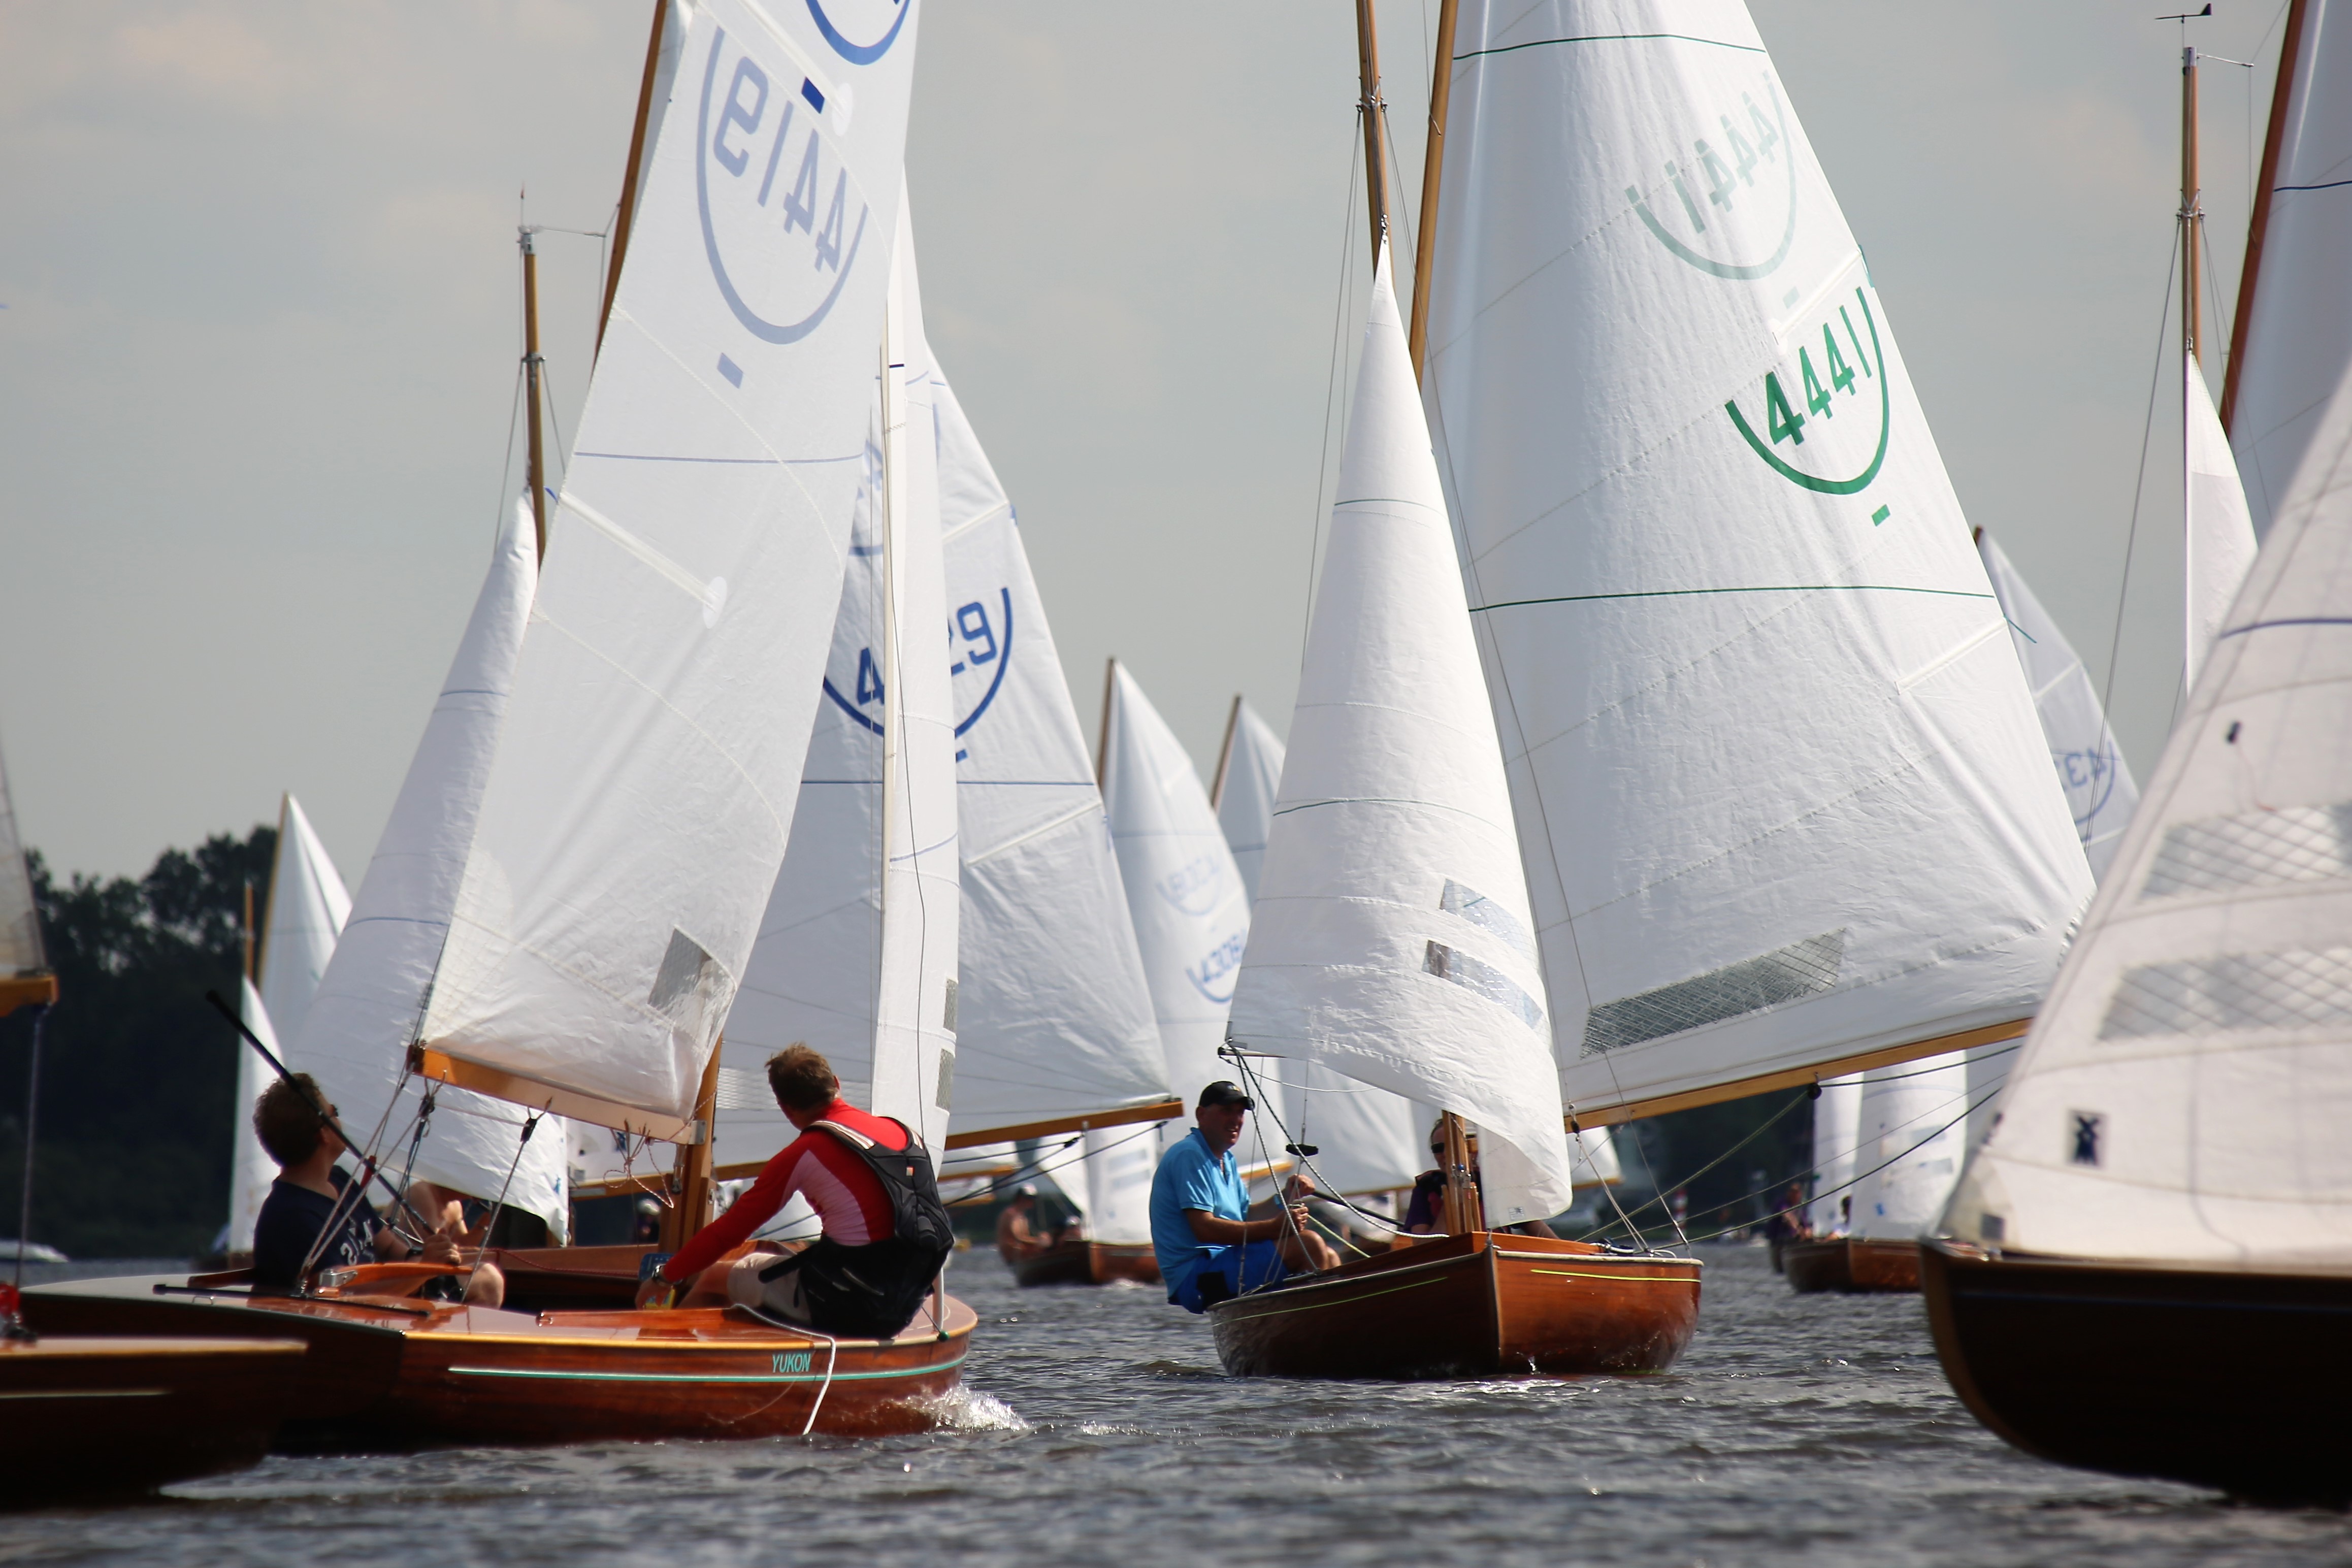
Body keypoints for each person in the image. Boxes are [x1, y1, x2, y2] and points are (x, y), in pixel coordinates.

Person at [634, 1045, 954, 1338]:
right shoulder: (905, 1133)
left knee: (715, 1278)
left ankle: (668, 1358)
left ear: (785, 1108)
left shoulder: (803, 1154)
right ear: (837, 1084)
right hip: (908, 1302)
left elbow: (728, 1233)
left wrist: (664, 1279)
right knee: (774, 1261)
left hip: (849, 1305)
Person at [249, 1073, 502, 1305]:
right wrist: (425, 1268)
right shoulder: (293, 1217)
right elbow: (343, 1301)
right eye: (334, 1112)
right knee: (488, 1284)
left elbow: (392, 1250)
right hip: (358, 1326)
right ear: (324, 1133)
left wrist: (428, 1257)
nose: (340, 1117)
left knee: (488, 1278)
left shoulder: (339, 1181)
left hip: (386, 1308)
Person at [1148, 1080, 1337, 1313]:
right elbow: (1204, 1229)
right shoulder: (1189, 1155)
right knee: (1310, 1244)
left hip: (1222, 1265)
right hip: (1195, 1278)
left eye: (1240, 1113)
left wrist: (1287, 1196)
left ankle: (1326, 1324)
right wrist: (1276, 1228)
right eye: (1226, 1111)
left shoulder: (1226, 1159)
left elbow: (1246, 1215)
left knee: (1330, 1255)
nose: (1236, 1119)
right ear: (1201, 1115)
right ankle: (1318, 1327)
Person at [995, 1185, 1069, 1264]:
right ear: (1020, 1199)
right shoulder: (1011, 1214)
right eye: (1030, 1199)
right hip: (1015, 1254)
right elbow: (1018, 1238)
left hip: (1021, 1252)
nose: (1033, 1201)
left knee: (1046, 1237)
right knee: (1045, 1240)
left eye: (1033, 1199)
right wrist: (1039, 1242)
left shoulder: (1022, 1216)